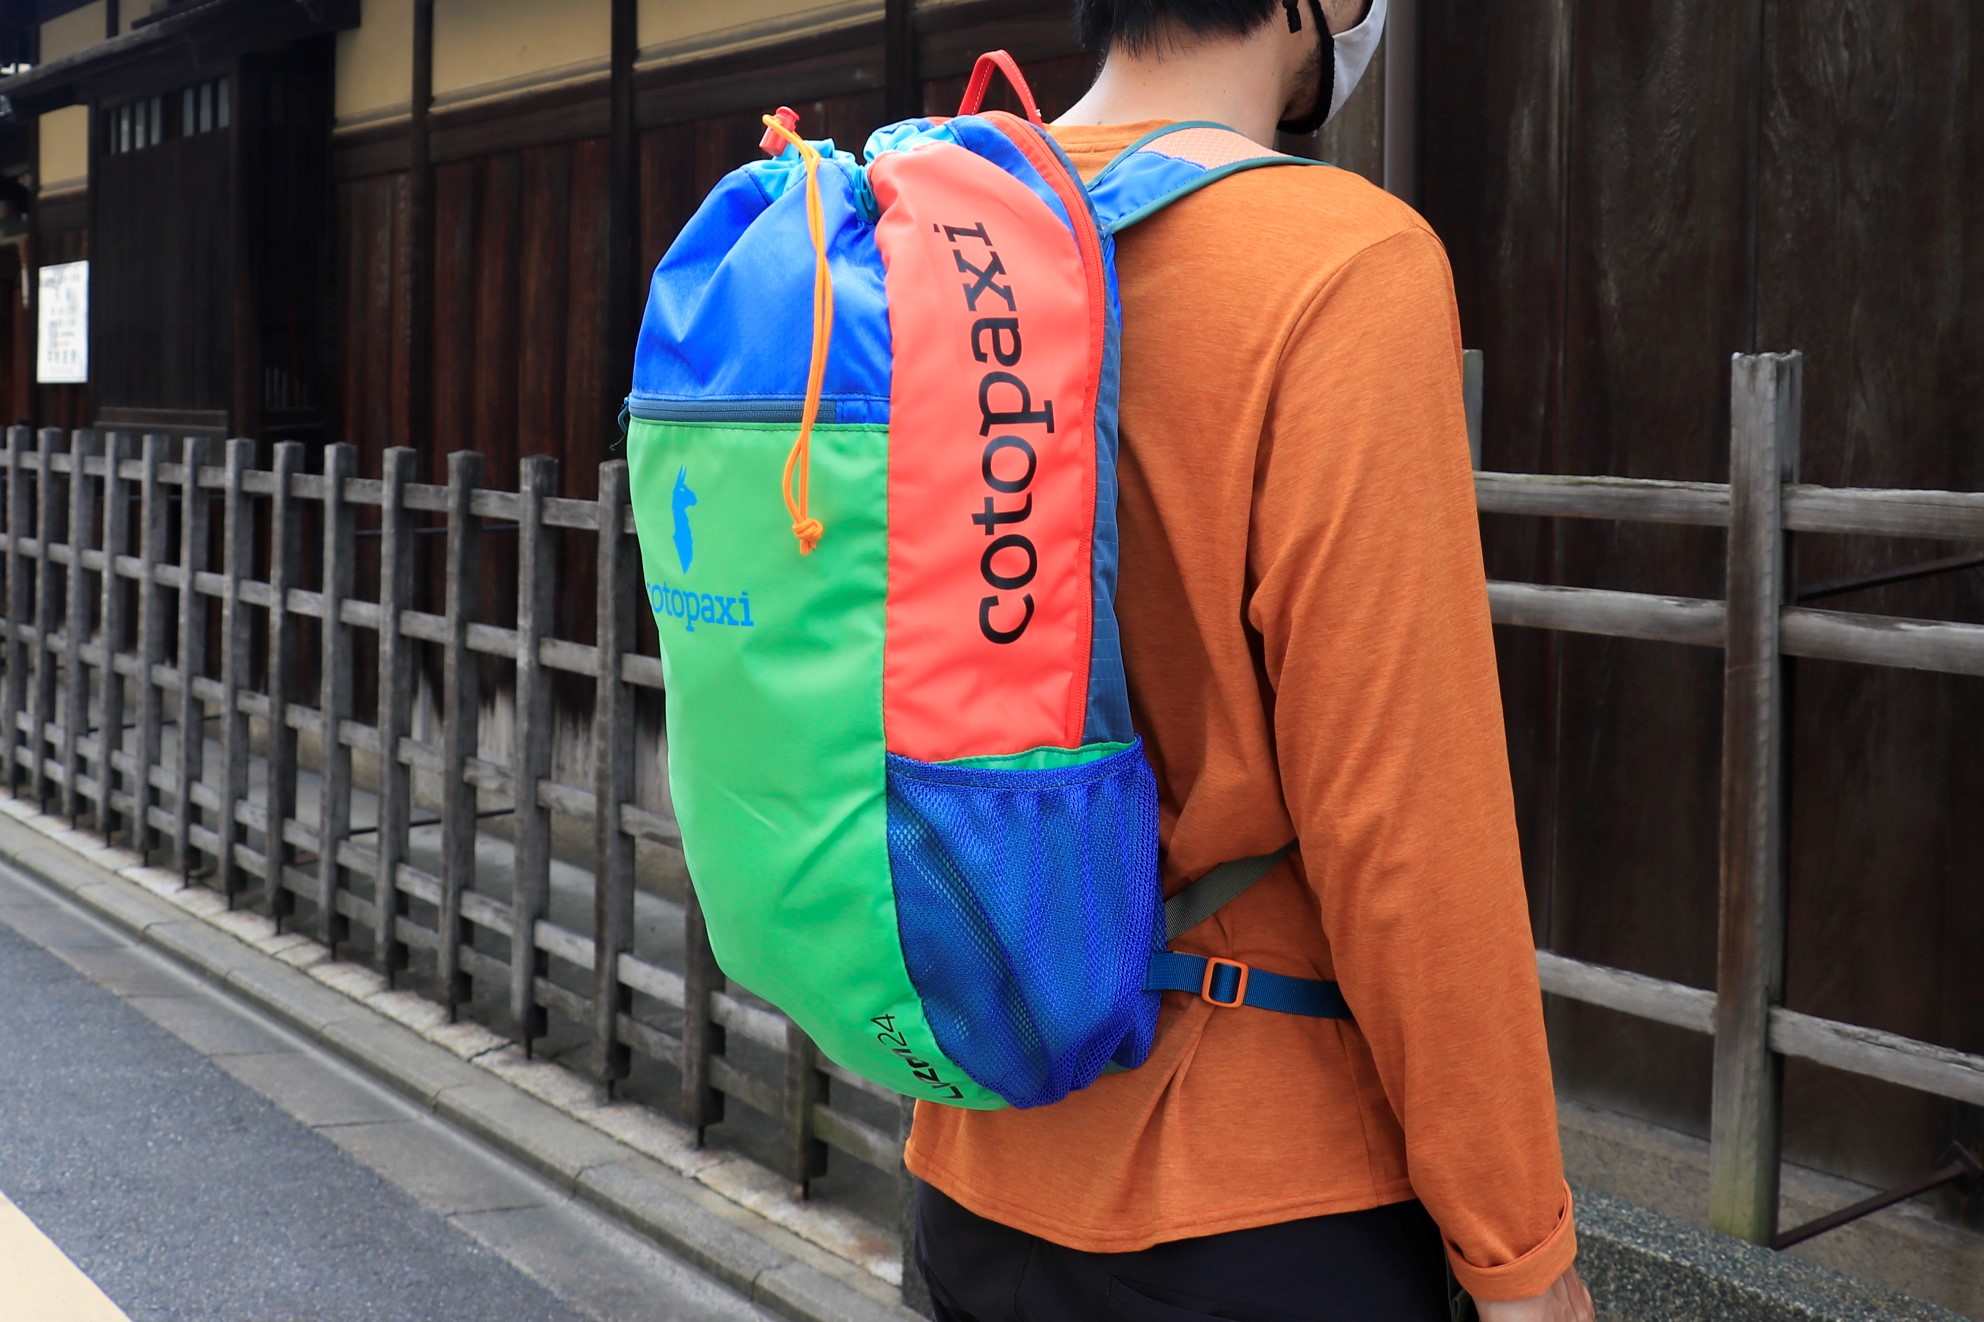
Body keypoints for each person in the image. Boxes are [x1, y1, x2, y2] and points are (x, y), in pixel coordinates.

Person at [904, 3, 1597, 1319]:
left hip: (975, 1175)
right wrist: (1522, 1256)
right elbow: (1408, 827)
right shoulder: (1340, 262)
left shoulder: (931, 229)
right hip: (1265, 1202)